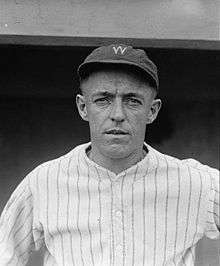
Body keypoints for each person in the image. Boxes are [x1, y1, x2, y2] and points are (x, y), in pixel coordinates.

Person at [0, 44, 219, 266]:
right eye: (103, 100)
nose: (117, 114)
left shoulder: (196, 182)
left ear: (152, 111)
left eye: (132, 100)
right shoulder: (43, 182)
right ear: (83, 107)